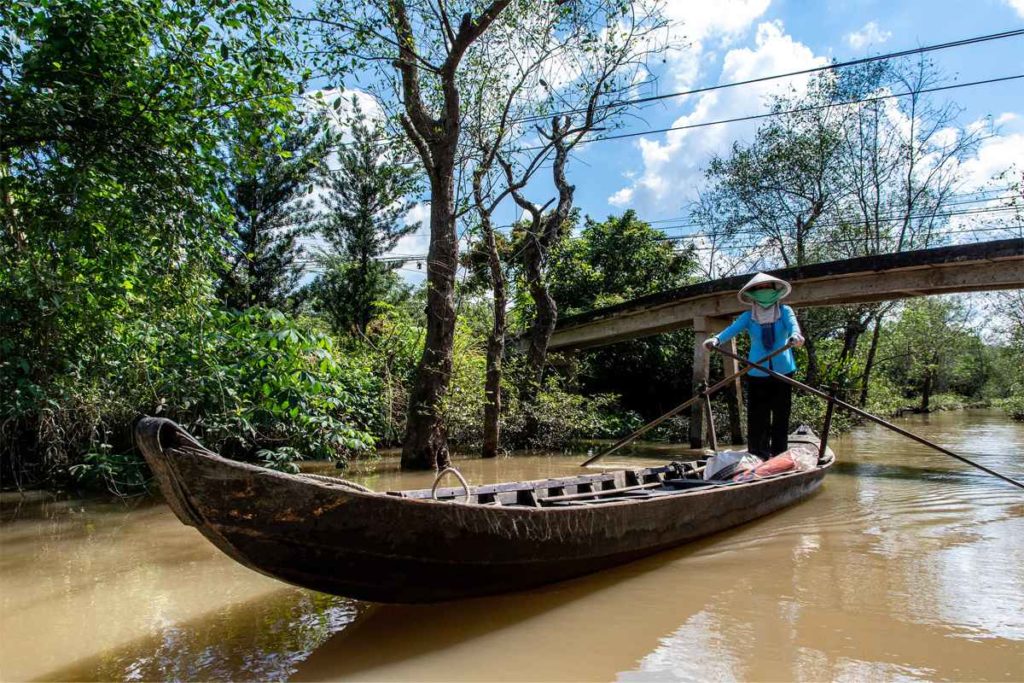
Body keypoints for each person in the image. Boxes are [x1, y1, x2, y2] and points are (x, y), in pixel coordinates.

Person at [703, 273, 804, 459]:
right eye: (759, 288)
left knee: (781, 414)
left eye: (768, 287)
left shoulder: (785, 311)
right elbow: (731, 330)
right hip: (757, 370)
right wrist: (716, 339)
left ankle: (779, 455)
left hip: (783, 371)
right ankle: (758, 454)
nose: (764, 291)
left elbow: (793, 327)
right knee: (758, 416)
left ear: (775, 291)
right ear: (753, 294)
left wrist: (795, 337)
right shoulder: (749, 316)